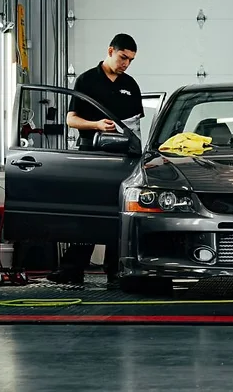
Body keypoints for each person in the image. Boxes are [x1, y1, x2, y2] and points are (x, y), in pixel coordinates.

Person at [46, 33, 144, 286]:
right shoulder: (87, 80)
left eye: (131, 60)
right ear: (110, 50)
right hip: (90, 152)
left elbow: (135, 126)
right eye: (123, 57)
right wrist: (96, 125)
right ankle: (71, 270)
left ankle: (116, 271)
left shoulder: (131, 85)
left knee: (117, 213)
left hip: (122, 156)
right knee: (88, 212)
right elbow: (71, 119)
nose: (126, 64)